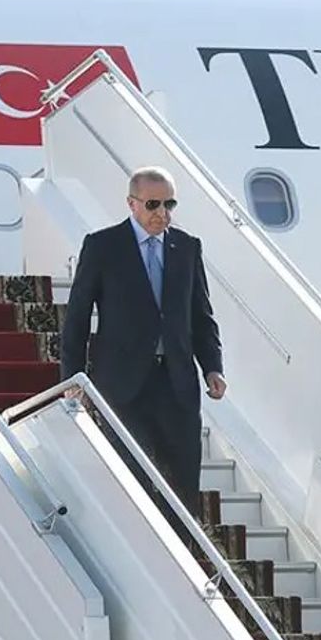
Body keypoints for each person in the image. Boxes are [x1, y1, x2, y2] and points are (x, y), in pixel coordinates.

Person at [59, 166, 226, 523]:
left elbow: (201, 315)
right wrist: (73, 378)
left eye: (169, 204)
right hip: (122, 384)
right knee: (130, 477)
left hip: (177, 383)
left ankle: (183, 552)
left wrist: (213, 367)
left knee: (183, 482)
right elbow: (76, 318)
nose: (162, 213)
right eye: (153, 204)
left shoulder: (187, 247)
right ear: (131, 203)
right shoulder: (103, 246)